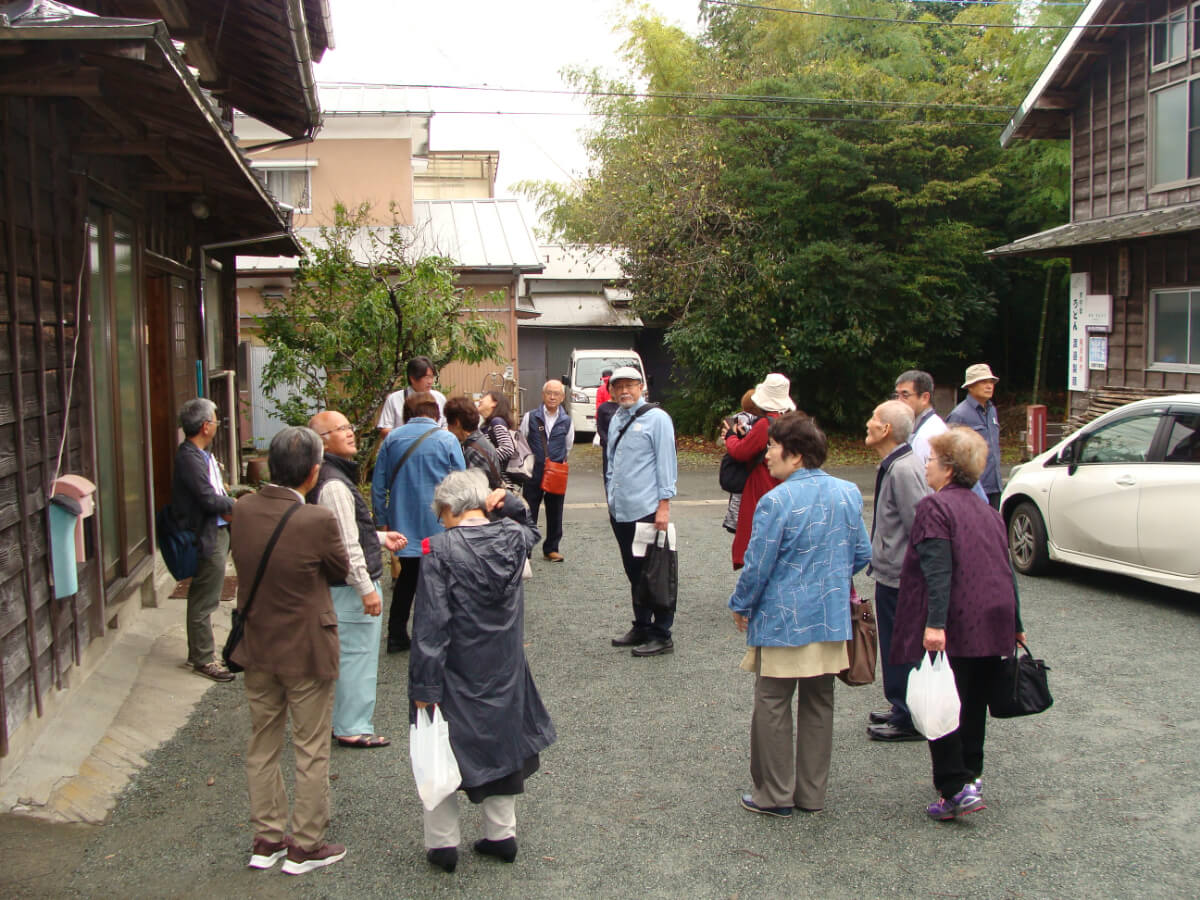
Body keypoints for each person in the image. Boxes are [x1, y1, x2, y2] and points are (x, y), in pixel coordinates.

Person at [410, 469, 557, 874]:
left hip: (457, 667)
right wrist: (506, 502)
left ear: (447, 508)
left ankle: (442, 844)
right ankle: (501, 834)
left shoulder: (439, 550)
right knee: (501, 744)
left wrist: (424, 684)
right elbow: (529, 526)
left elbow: (430, 624)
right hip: (505, 664)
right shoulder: (511, 539)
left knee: (440, 745)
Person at [729, 413, 872, 817]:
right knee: (819, 701)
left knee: (773, 701)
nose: (767, 454)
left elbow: (757, 566)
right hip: (830, 614)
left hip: (782, 618)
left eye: (772, 447)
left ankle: (774, 794)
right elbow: (862, 552)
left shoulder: (776, 500)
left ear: (794, 455)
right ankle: (811, 794)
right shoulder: (847, 492)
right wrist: (829, 577)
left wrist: (740, 604)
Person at [229, 426, 351, 874]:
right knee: (310, 747)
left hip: (257, 643)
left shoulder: (240, 510)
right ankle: (306, 842)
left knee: (262, 741)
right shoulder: (316, 519)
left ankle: (266, 837)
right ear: (314, 472)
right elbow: (339, 571)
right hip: (307, 647)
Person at [892, 426, 1025, 821]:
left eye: (931, 460)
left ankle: (954, 786)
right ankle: (972, 775)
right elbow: (1006, 568)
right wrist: (1016, 620)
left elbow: (938, 570)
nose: (926, 466)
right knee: (974, 703)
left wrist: (933, 624)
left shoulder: (935, 507)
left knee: (945, 700)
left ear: (948, 468)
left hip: (959, 620)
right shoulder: (985, 509)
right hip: (994, 617)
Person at [308, 411, 407, 749]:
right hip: (348, 586)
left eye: (350, 427)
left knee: (350, 654)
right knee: (356, 656)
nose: (350, 433)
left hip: (339, 584)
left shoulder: (330, 477)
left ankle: (345, 722)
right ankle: (352, 726)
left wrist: (379, 539)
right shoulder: (334, 483)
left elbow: (346, 532)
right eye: (341, 429)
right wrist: (366, 588)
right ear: (323, 441)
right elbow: (344, 543)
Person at [372, 392, 465, 653]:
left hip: (404, 521)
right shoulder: (447, 439)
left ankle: (397, 634)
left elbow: (379, 485)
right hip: (439, 522)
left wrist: (382, 520)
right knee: (442, 579)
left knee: (407, 578)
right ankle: (439, 635)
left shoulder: (392, 439)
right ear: (436, 413)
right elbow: (460, 482)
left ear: (407, 413)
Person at [863, 400, 930, 742]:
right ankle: (900, 704)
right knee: (893, 643)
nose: (868, 423)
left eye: (874, 418)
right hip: (891, 571)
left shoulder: (904, 469)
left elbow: (920, 524)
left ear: (886, 429)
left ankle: (910, 715)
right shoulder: (896, 464)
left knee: (902, 644)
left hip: (902, 576)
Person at [605, 366, 678, 657]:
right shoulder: (615, 418)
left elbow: (666, 462)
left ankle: (662, 633)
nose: (624, 390)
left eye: (630, 385)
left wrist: (664, 504)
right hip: (621, 509)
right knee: (634, 571)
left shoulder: (657, 419)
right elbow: (611, 461)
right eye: (618, 386)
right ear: (611, 390)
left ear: (642, 387)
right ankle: (642, 625)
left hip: (647, 508)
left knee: (655, 571)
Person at [169, 398, 236, 683]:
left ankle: (199, 652)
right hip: (206, 534)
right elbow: (207, 499)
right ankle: (203, 658)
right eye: (216, 421)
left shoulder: (200, 454)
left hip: (215, 530)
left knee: (205, 594)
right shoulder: (189, 456)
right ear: (206, 426)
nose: (217, 426)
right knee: (205, 598)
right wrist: (234, 503)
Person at [720, 373, 796, 570]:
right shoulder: (789, 421)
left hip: (761, 483)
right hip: (783, 481)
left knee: (757, 534)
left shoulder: (764, 424)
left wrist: (730, 437)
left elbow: (742, 452)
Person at [519, 380, 574, 562]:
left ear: (562, 397)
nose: (552, 396)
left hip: (556, 472)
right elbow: (522, 441)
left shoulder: (567, 421)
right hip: (534, 473)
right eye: (549, 393)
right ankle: (525, 550)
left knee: (555, 511)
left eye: (556, 393)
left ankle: (551, 548)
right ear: (543, 395)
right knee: (529, 511)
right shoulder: (530, 417)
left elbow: (568, 446)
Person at [946, 364, 1003, 508]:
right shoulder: (959, 415)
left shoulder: (991, 410)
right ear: (970, 386)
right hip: (974, 489)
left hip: (994, 486)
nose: (989, 386)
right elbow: (950, 454)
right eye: (983, 382)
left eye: (991, 382)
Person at [721, 389, 765, 534]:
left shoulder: (743, 420)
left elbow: (741, 451)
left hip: (744, 483)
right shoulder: (767, 422)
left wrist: (731, 436)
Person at [377, 356, 448, 437]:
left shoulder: (439, 398)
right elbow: (385, 430)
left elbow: (446, 427)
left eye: (432, 377)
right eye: (426, 377)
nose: (430, 381)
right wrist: (408, 437)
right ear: (412, 378)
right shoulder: (394, 399)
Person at [444, 396, 504, 489]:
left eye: (448, 423)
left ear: (456, 423)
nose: (448, 428)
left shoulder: (472, 450)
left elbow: (475, 493)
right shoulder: (480, 440)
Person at [893, 369, 947, 464]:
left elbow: (920, 477)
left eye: (905, 395)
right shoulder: (920, 426)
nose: (898, 401)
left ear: (925, 398)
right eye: (897, 395)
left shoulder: (928, 435)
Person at [476, 390, 517, 477]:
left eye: (483, 398)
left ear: (494, 403)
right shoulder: (487, 425)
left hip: (500, 481)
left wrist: (483, 459)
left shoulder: (497, 422)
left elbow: (508, 449)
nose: (480, 400)